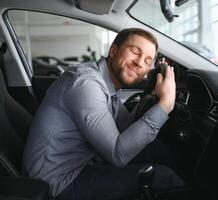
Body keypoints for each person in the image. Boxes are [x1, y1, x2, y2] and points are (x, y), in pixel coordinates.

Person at [23, 28, 185, 200]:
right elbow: (118, 154)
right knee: (164, 178)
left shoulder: (107, 86)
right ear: (113, 51)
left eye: (147, 61)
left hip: (77, 167)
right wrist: (166, 104)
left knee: (156, 151)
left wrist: (151, 96)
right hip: (55, 183)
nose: (139, 63)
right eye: (135, 51)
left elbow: (125, 127)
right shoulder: (86, 84)